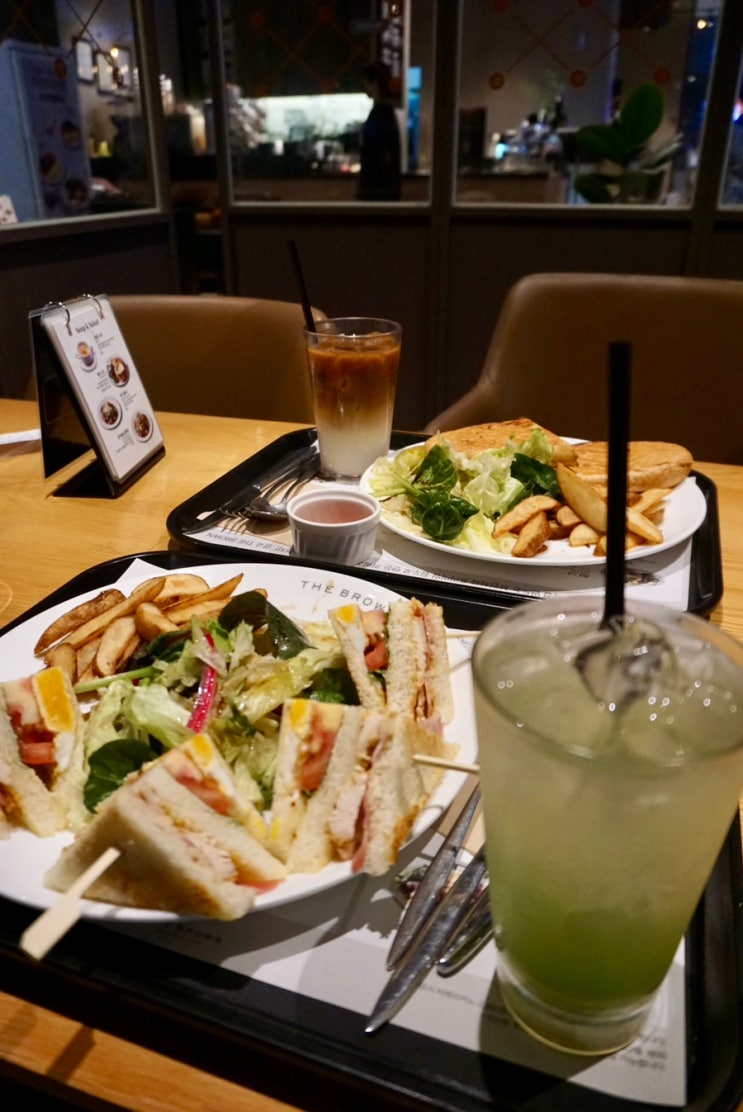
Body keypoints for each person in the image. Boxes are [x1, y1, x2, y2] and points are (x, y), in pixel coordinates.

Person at [358, 62, 402, 201]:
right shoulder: (386, 113)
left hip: (376, 187)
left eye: (366, 83)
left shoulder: (380, 113)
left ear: (375, 84)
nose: (365, 88)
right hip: (384, 186)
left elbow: (373, 148)